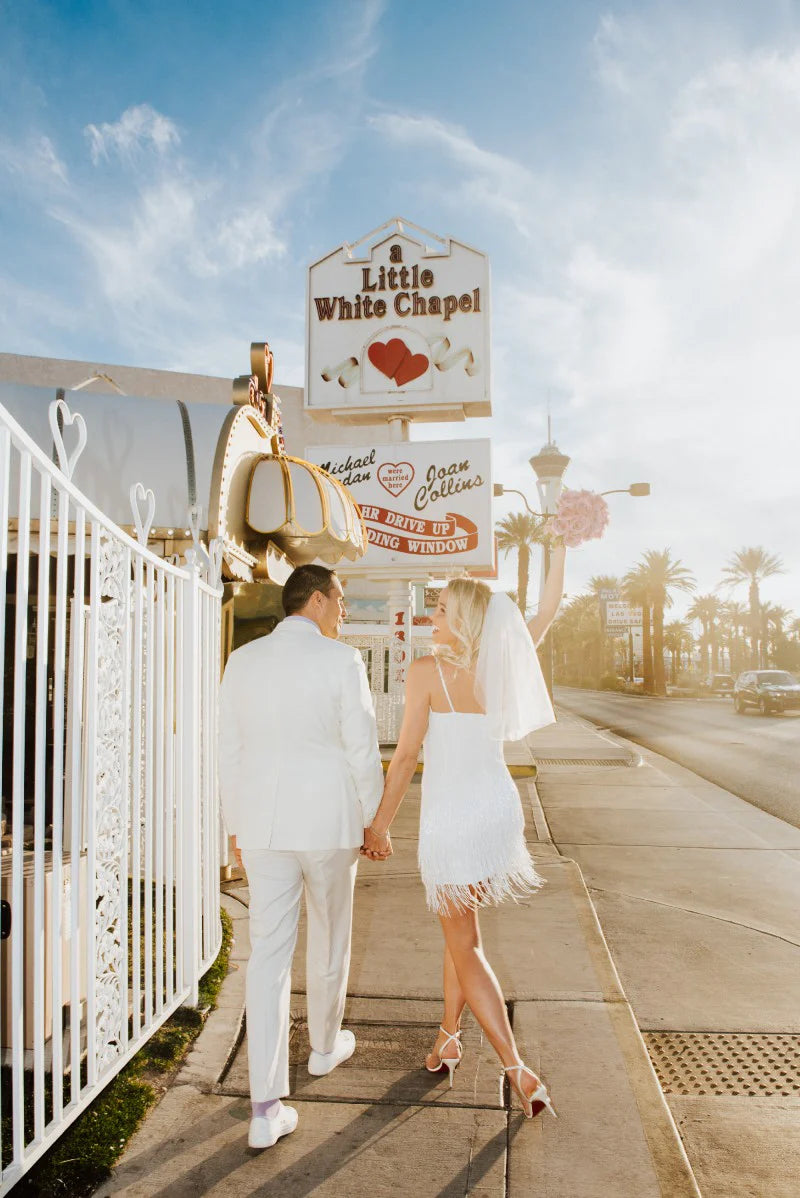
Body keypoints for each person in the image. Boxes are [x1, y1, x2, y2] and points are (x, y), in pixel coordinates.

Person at [361, 543, 566, 1119]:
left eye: (442, 608)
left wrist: (379, 824)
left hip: (452, 819)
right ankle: (447, 1037)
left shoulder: (428, 673)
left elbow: (405, 758)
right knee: (461, 934)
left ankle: (516, 1067)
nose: (433, 615)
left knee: (466, 943)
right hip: (495, 812)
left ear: (467, 619)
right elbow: (547, 609)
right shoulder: (503, 663)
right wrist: (559, 548)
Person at [218, 564, 384, 1150]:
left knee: (268, 955)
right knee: (331, 935)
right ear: (315, 600)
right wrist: (374, 820)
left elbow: (229, 749)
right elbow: (362, 747)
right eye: (340, 599)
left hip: (263, 827)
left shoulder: (242, 661)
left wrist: (235, 827)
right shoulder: (342, 661)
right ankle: (323, 1047)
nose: (344, 610)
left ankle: (265, 1108)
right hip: (328, 822)